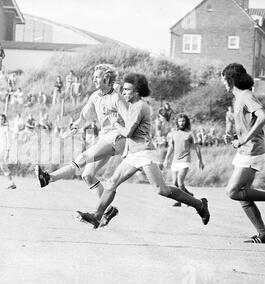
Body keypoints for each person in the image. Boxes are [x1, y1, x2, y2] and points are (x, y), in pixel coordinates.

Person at [76, 73, 210, 229]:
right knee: (112, 182)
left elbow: (128, 133)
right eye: (123, 89)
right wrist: (126, 150)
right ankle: (97, 216)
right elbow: (129, 135)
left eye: (127, 90)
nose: (123, 92)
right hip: (134, 153)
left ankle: (200, 204)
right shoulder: (132, 106)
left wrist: (114, 122)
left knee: (162, 190)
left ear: (137, 91)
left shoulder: (141, 107)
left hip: (145, 152)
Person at [35, 64, 128, 219]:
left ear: (106, 79)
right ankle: (109, 209)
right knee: (87, 175)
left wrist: (129, 141)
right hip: (105, 138)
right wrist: (76, 126)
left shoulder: (116, 97)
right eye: (94, 77)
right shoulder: (95, 96)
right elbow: (84, 117)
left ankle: (48, 178)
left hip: (117, 138)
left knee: (83, 157)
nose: (94, 79)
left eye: (97, 77)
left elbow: (130, 121)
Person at [222, 63, 265, 244]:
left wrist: (245, 139)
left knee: (232, 191)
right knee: (242, 194)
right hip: (244, 150)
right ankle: (263, 234)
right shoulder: (237, 99)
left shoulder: (246, 96)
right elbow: (247, 124)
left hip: (253, 150)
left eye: (223, 78)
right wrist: (235, 137)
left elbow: (263, 116)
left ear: (230, 80)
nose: (222, 82)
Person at [163, 114, 204, 207]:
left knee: (180, 182)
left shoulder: (190, 133)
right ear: (177, 122)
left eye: (183, 121)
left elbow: (197, 148)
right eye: (180, 121)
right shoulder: (174, 133)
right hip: (175, 161)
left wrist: (200, 161)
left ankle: (183, 201)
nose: (181, 123)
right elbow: (171, 147)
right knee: (175, 183)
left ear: (186, 122)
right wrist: (166, 159)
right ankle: (189, 195)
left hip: (185, 160)